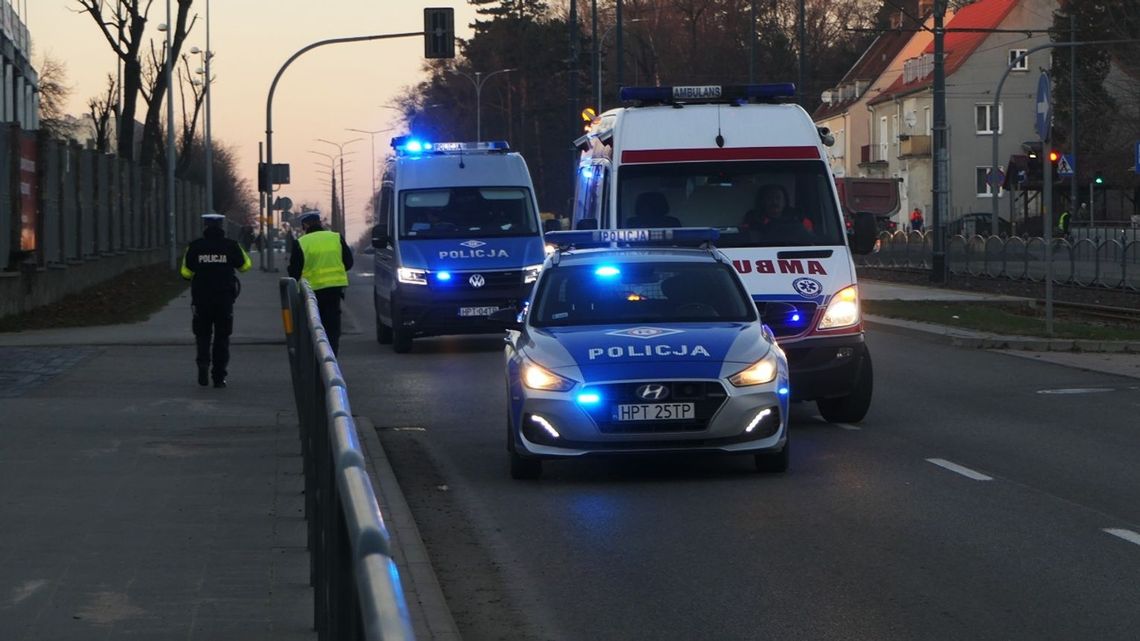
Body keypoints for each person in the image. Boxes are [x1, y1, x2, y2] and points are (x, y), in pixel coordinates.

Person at [180, 212, 252, 388]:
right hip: (224, 298)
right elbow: (245, 266)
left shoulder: (195, 246)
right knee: (222, 337)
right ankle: (219, 377)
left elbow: (185, 273)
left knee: (202, 335)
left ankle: (203, 364)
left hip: (201, 298)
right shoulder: (231, 245)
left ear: (204, 226)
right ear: (222, 226)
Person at [288, 212, 354, 354]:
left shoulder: (301, 242)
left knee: (314, 325)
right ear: (319, 223)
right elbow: (348, 263)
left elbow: (294, 272)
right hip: (334, 290)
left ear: (305, 225)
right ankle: (331, 358)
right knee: (332, 326)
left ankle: (315, 359)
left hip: (311, 291)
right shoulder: (336, 238)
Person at [742, 184, 814, 243]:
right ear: (763, 202)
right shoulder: (752, 220)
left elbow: (811, 242)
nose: (774, 202)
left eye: (778, 198)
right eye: (770, 198)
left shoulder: (799, 218)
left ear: (784, 202)